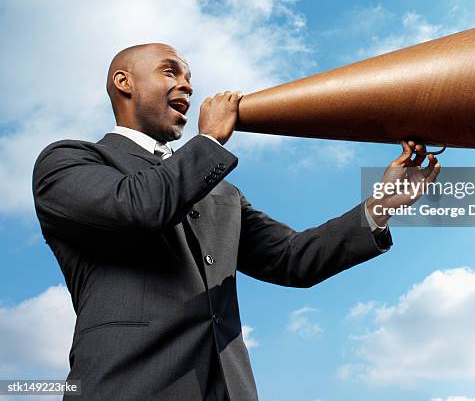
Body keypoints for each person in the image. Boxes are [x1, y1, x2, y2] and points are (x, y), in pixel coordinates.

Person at [32, 43, 441, 400]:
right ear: (124, 82)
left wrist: (383, 201)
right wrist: (208, 142)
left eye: (190, 77)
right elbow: (139, 207)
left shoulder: (219, 191)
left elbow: (292, 258)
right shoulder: (68, 161)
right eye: (170, 70)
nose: (188, 85)